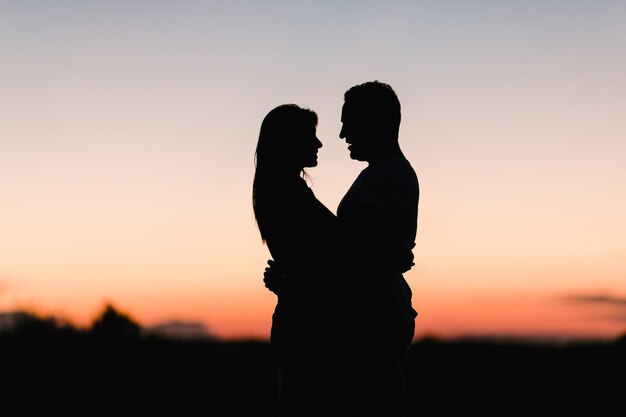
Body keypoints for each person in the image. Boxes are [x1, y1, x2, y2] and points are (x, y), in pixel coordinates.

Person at [262, 81, 419, 417]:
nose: (340, 134)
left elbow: (347, 251)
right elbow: (342, 250)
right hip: (342, 319)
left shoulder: (385, 177)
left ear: (373, 124)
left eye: (349, 123)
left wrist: (293, 275)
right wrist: (390, 257)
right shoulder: (293, 191)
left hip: (373, 319)